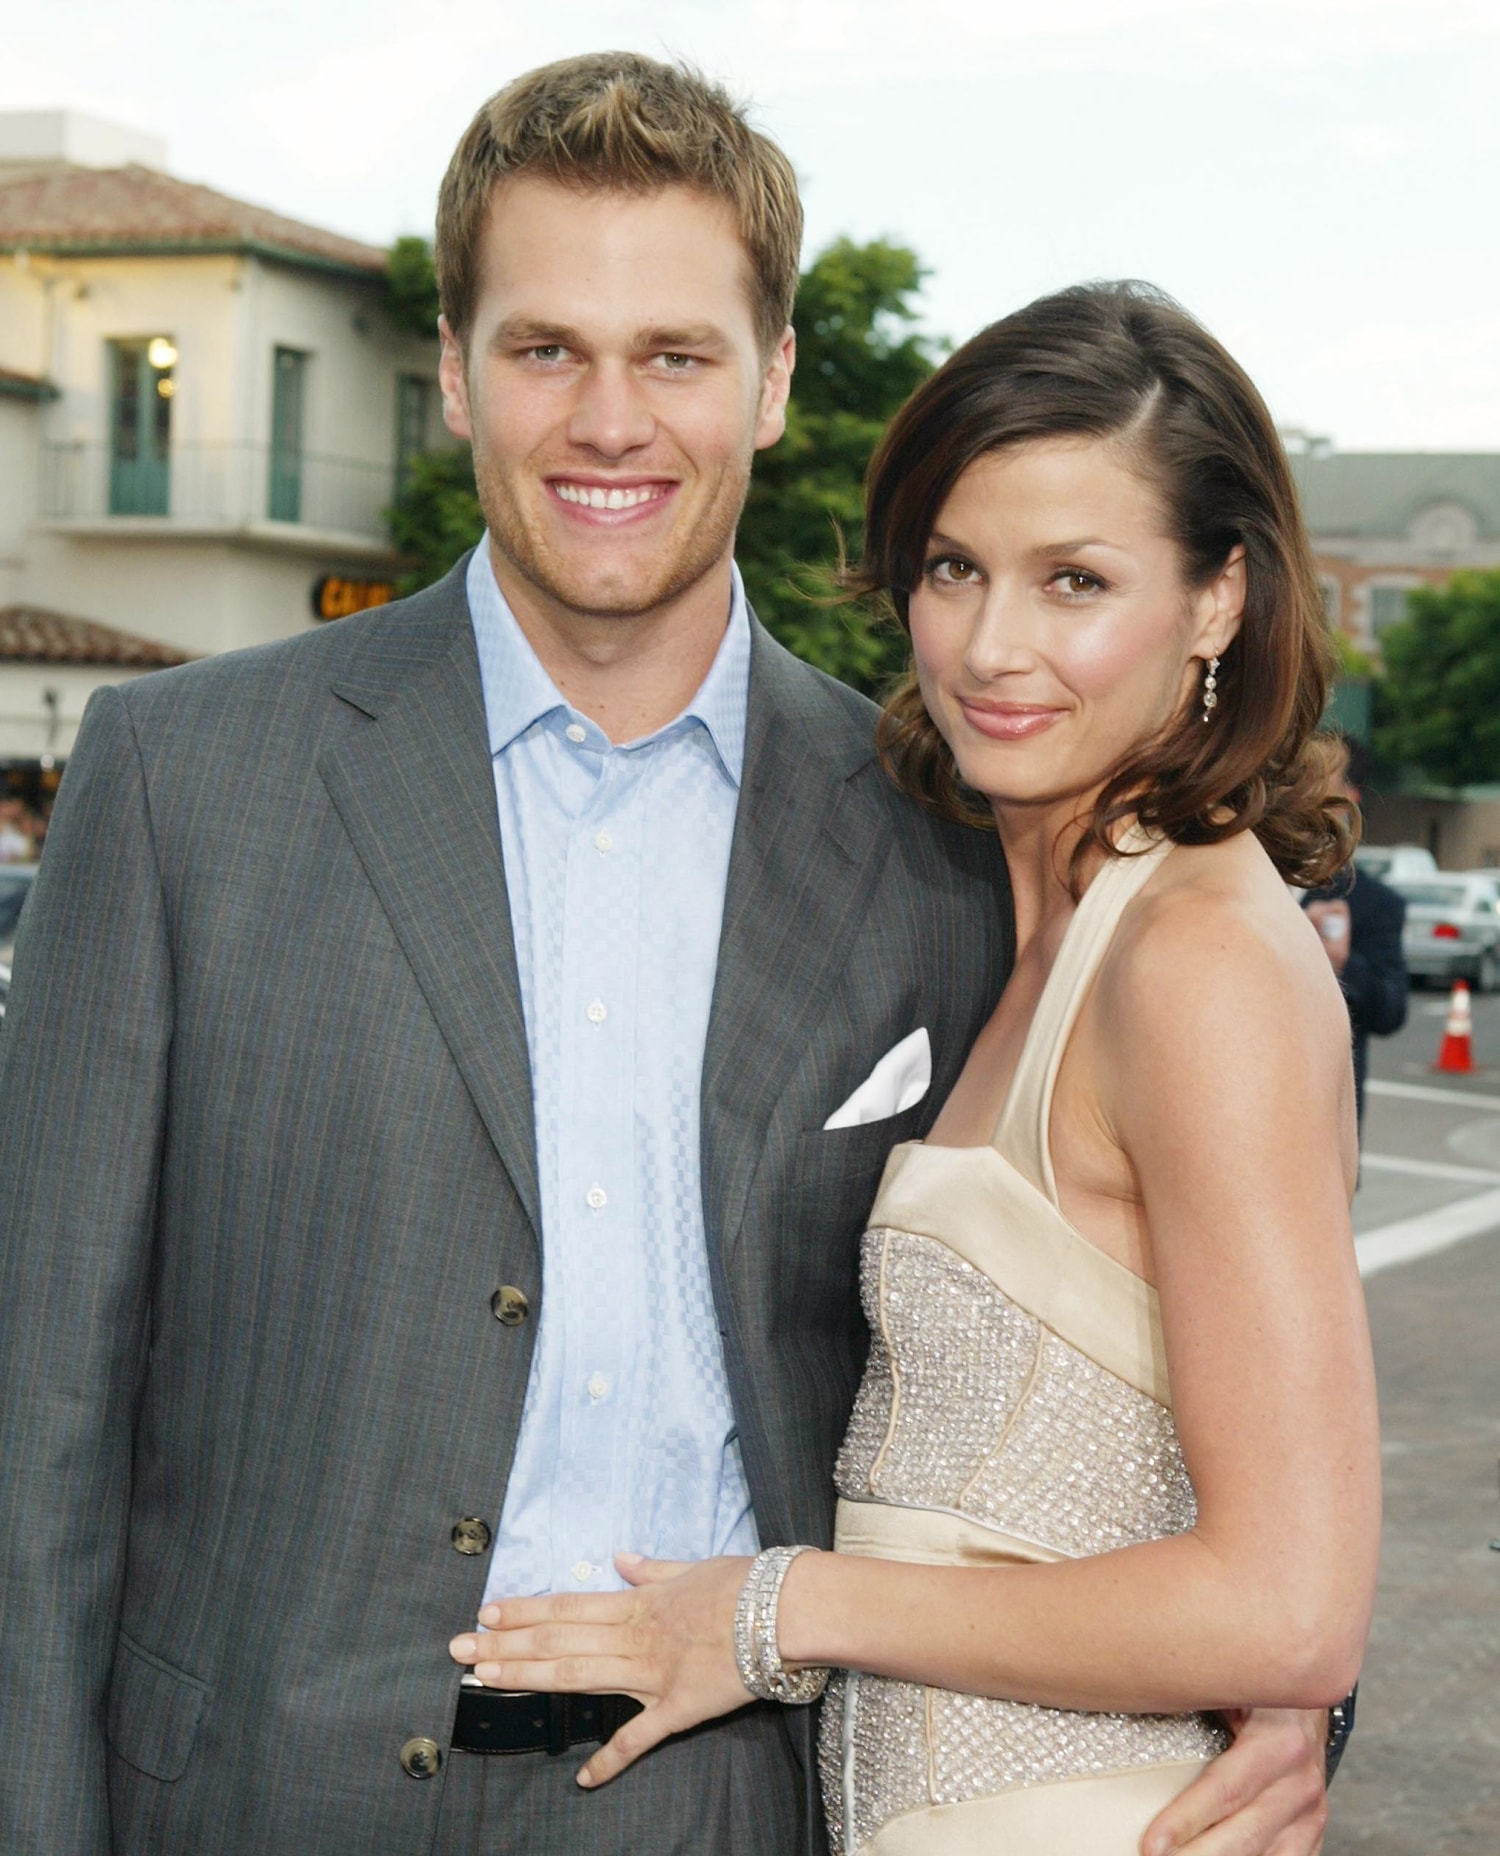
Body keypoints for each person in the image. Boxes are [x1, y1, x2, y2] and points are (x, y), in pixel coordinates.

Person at [0, 55, 1333, 1856]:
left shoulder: (937, 835)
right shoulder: (182, 781)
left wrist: (1283, 1695)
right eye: (548, 347)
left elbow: (1164, 1369)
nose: (609, 420)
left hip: (736, 1797)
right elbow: (41, 1413)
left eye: (677, 356)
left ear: (772, 381)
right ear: (456, 371)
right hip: (255, 1794)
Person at [448, 282, 1381, 1854]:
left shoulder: (1200, 961)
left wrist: (776, 1607)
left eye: (1076, 580)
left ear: (1219, 599)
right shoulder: (1008, 902)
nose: (994, 647)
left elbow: (1288, 1602)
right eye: (956, 568)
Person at [1301, 735, 1408, 1130]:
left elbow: (1390, 1012)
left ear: (1350, 795)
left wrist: (1343, 963)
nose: (1302, 789)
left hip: (1324, 1125)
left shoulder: (1374, 902)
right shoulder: (1240, 874)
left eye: (1318, 776)